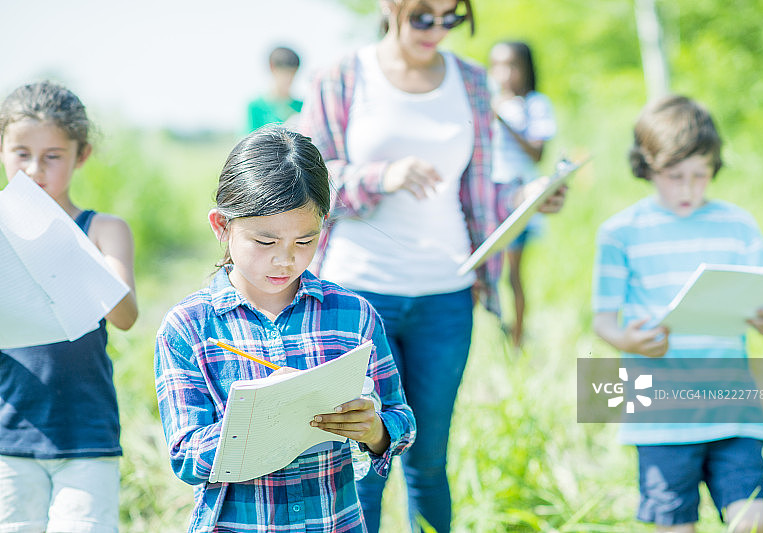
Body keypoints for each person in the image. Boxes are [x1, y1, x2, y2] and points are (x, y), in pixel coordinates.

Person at [298, 1, 564, 531]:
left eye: (451, 18)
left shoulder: (471, 79)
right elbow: (311, 182)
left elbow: (482, 187)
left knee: (428, 458)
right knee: (360, 461)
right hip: (358, 293)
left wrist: (528, 195)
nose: (437, 29)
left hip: (447, 294)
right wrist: (382, 175)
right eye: (424, 16)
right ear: (390, 7)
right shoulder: (342, 77)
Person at [154, 126, 415, 532]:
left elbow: (401, 418)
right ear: (222, 226)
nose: (285, 260)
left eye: (304, 241)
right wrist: (258, 420)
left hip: (335, 521)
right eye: (264, 241)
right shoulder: (189, 327)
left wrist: (376, 430)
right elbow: (185, 455)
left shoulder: (353, 316)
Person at [592, 94, 763, 533]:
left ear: (714, 167)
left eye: (700, 175)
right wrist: (627, 340)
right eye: (674, 176)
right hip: (660, 418)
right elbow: (603, 320)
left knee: (754, 521)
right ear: (646, 167)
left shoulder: (737, 224)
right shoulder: (621, 233)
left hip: (733, 410)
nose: (687, 189)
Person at [0, 81, 138, 532]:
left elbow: (125, 315)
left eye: (53, 155)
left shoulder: (102, 229)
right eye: (21, 152)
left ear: (81, 155)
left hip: (86, 429)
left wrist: (65, 245)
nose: (35, 169)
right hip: (11, 429)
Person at [488, 40, 557, 347]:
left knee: (512, 274)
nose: (505, 73)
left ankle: (517, 339)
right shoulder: (489, 100)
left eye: (512, 65)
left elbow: (537, 153)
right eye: (498, 66)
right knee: (484, 273)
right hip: (488, 200)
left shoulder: (534, 104)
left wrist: (502, 120)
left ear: (526, 68)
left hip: (520, 199)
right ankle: (500, 330)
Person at [246, 46, 303, 131]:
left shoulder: (302, 107)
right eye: (284, 73)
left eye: (292, 73)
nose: (288, 79)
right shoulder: (255, 107)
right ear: (272, 67)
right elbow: (247, 142)